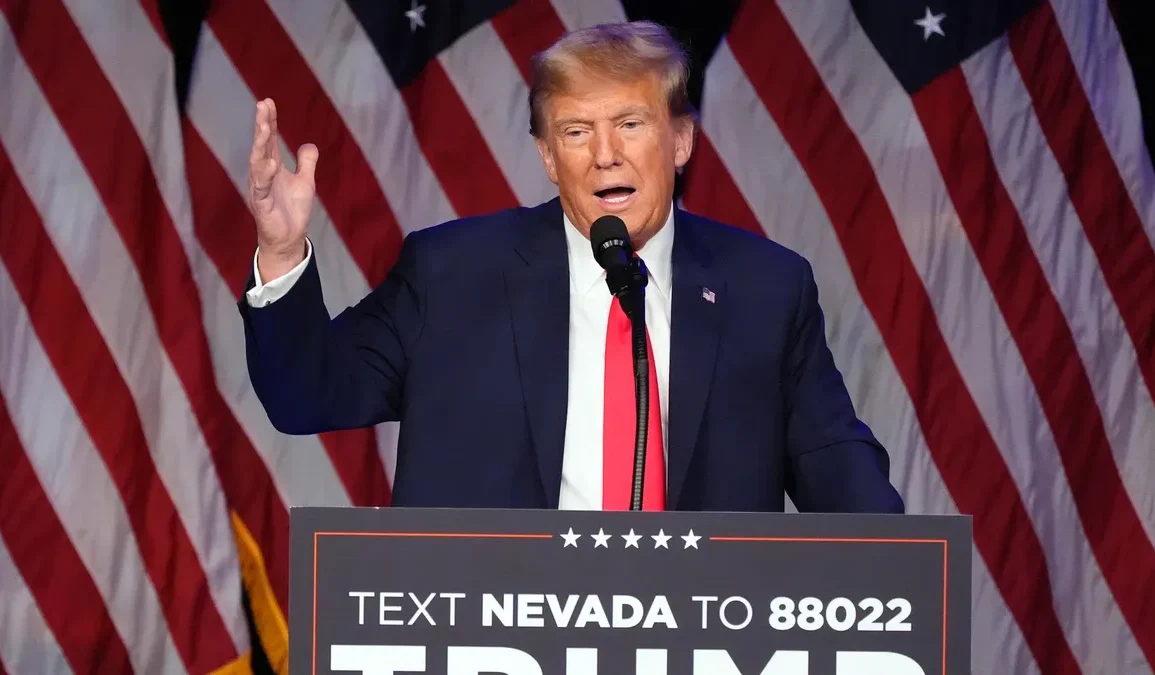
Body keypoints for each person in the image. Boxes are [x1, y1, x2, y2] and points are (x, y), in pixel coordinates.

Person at [237, 20, 904, 514]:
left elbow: (836, 468)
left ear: (680, 141)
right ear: (549, 157)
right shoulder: (452, 274)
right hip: (493, 633)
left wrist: (908, 575)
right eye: (576, 132)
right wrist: (282, 250)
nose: (605, 154)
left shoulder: (765, 288)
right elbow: (307, 395)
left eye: (631, 124)